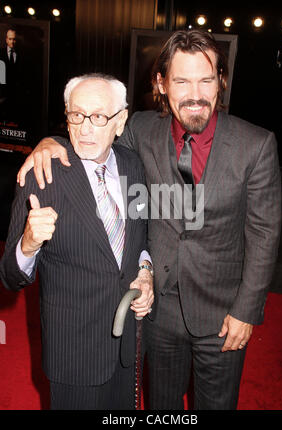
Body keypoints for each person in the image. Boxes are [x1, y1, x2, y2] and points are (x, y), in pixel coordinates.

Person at [16, 30, 282, 410]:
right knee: (161, 407)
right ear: (161, 83)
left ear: (221, 82)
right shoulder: (139, 129)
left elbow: (265, 234)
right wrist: (51, 143)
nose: (196, 93)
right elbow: (92, 138)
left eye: (207, 80)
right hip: (158, 312)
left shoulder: (256, 144)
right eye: (182, 81)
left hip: (224, 313)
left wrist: (246, 310)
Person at [0, 73, 154, 410]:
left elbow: (142, 237)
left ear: (120, 121)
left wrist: (145, 270)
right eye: (76, 115)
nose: (85, 129)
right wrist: (28, 244)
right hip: (73, 353)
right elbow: (9, 276)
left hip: (128, 341)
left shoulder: (133, 166)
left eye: (98, 117)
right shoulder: (43, 176)